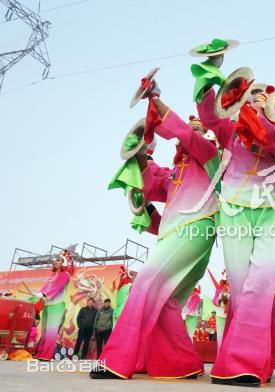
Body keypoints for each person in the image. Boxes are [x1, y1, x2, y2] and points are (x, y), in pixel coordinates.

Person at [90, 81, 219, 380]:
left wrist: (157, 100)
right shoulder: (174, 174)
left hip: (196, 230)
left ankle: (117, 359)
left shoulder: (212, 157)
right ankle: (180, 364)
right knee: (166, 302)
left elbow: (187, 134)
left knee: (145, 282)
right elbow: (149, 186)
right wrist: (139, 155)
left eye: (199, 130)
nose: (191, 134)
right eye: (189, 132)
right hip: (172, 236)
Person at [197, 84, 275, 387]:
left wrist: (267, 117)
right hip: (234, 209)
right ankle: (259, 358)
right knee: (240, 290)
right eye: (253, 91)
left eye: (264, 92)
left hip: (273, 209)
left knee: (261, 283)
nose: (257, 95)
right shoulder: (230, 129)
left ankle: (241, 364)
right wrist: (208, 78)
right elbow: (209, 116)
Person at [34, 251, 73, 361]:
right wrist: (37, 295)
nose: (56, 262)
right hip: (47, 304)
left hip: (57, 305)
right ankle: (40, 353)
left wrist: (43, 294)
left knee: (51, 332)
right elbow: (44, 288)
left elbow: (55, 288)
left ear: (64, 263)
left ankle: (46, 355)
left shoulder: (65, 275)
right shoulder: (52, 275)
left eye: (59, 260)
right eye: (56, 260)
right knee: (45, 331)